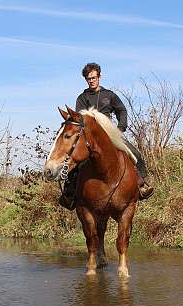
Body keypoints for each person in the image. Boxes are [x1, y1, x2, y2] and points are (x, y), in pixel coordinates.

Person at [58, 62, 153, 210]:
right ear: (86, 80)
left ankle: (142, 185)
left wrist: (121, 128)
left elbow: (121, 110)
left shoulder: (109, 95)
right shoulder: (82, 98)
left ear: (99, 77)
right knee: (76, 162)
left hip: (110, 134)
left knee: (134, 154)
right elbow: (79, 119)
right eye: (89, 78)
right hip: (90, 137)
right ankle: (69, 194)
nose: (92, 80)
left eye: (94, 77)